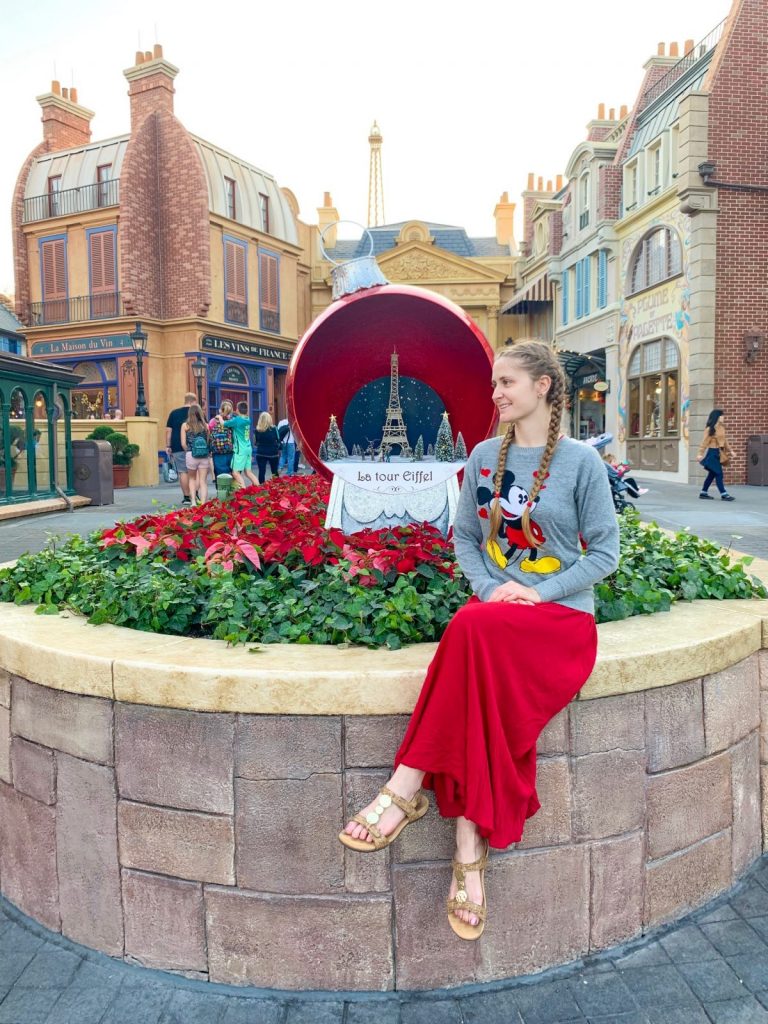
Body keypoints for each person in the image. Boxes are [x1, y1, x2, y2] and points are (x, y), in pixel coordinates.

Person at [339, 340, 620, 941]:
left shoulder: (581, 464)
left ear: (543, 386)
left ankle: (406, 787)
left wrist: (537, 594)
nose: (495, 394)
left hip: (558, 623)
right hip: (495, 618)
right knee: (475, 632)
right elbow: (466, 537)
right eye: (494, 384)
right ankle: (468, 846)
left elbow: (605, 555)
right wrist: (491, 588)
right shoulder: (486, 458)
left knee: (467, 627)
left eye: (506, 382)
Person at [697, 409, 735, 500]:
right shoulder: (710, 429)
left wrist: (731, 451)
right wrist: (700, 453)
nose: (723, 417)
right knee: (719, 474)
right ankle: (724, 494)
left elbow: (725, 441)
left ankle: (703, 492)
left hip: (720, 453)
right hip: (712, 453)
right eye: (722, 416)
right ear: (717, 417)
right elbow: (704, 442)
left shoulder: (721, 428)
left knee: (712, 474)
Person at [165, 393, 196, 504]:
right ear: (194, 401)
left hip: (177, 445)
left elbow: (169, 430)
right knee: (194, 471)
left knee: (183, 471)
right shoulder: (196, 413)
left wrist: (168, 445)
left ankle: (186, 497)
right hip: (195, 446)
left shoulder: (174, 413)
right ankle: (195, 494)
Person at [180, 403, 211, 505]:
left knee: (192, 479)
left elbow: (183, 444)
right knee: (203, 481)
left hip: (191, 454)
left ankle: (193, 501)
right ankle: (203, 503)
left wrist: (189, 450)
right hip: (204, 456)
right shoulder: (206, 426)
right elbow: (208, 441)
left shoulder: (185, 426)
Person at [225, 401, 260, 489]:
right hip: (248, 448)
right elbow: (237, 420)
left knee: (235, 473)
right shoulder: (247, 419)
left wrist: (219, 418)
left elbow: (224, 423)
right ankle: (259, 490)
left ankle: (243, 491)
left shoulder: (237, 420)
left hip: (240, 450)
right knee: (248, 472)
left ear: (237, 409)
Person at [208, 400, 234, 483]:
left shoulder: (213, 421)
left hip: (217, 452)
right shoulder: (232, 421)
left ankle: (221, 492)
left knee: (220, 475)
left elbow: (209, 434)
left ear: (220, 410)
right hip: (230, 451)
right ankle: (232, 493)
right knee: (232, 474)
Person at [253, 412, 280, 483]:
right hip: (273, 453)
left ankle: (262, 488)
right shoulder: (274, 429)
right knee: (274, 471)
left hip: (261, 452)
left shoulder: (257, 430)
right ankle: (276, 487)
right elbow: (278, 439)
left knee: (261, 472)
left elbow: (255, 442)